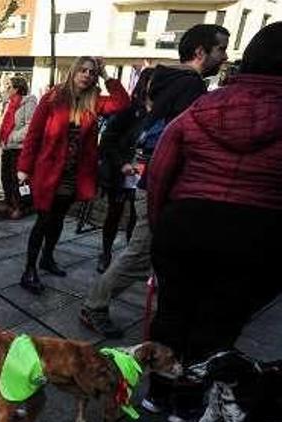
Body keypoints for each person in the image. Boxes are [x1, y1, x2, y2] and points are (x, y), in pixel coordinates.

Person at [145, 23, 280, 422]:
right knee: (218, 323)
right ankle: (187, 402)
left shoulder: (202, 108)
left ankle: (158, 392)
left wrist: (161, 226)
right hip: (256, 232)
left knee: (172, 311)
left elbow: (160, 172)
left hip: (185, 223)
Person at [80, 24, 229, 340]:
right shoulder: (189, 88)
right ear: (201, 52)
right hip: (160, 183)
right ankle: (94, 304)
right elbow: (175, 139)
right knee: (140, 253)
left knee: (151, 253)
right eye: (220, 49)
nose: (225, 56)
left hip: (155, 181)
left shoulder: (172, 82)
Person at [17, 56, 129, 294]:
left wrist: (106, 74)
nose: (87, 75)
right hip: (49, 172)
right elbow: (34, 135)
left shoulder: (94, 101)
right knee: (43, 220)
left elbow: (122, 103)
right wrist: (24, 168)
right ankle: (29, 269)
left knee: (58, 219)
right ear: (74, 71)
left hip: (73, 175)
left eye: (91, 72)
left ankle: (47, 258)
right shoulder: (53, 98)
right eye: (83, 70)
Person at [93, 68, 155, 274]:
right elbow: (108, 141)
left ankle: (130, 260)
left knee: (137, 218)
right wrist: (122, 164)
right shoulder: (128, 110)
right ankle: (106, 253)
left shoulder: (161, 112)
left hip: (145, 174)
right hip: (122, 173)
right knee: (114, 214)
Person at [0, 76, 36, 219]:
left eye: (9, 87)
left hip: (19, 147)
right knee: (5, 177)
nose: (7, 89)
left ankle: (21, 206)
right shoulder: (9, 103)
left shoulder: (28, 102)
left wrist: (12, 137)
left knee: (17, 179)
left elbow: (30, 126)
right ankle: (9, 205)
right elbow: (3, 123)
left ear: (17, 88)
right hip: (7, 146)